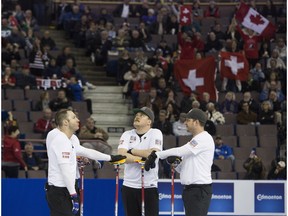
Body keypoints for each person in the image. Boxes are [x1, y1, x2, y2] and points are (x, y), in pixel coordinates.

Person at [45, 109, 126, 216]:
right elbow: (65, 170)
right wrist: (73, 195)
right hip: (61, 190)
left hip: (70, 187)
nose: (78, 120)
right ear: (65, 122)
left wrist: (110, 157)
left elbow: (83, 151)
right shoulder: (60, 139)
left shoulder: (72, 138)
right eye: (74, 117)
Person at [145, 108, 214, 216]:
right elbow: (183, 168)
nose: (185, 123)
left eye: (188, 120)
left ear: (196, 122)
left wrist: (157, 154)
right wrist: (176, 163)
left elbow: (180, 150)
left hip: (199, 190)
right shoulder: (195, 141)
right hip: (191, 190)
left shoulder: (204, 138)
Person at [117, 107, 163, 216]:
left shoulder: (155, 132)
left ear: (149, 121)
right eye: (136, 114)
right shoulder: (127, 134)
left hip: (149, 185)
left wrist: (131, 151)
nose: (137, 116)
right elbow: (121, 155)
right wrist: (141, 160)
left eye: (142, 115)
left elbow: (153, 154)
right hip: (129, 185)